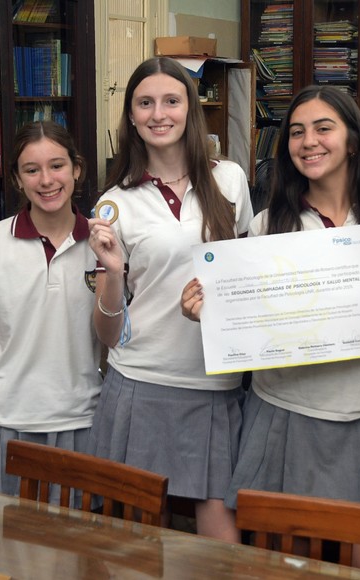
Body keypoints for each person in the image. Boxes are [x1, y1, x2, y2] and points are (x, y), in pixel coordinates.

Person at [181, 85, 360, 572]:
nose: (309, 141)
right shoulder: (267, 226)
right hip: (285, 415)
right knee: (282, 567)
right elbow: (244, 325)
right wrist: (211, 312)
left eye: (324, 128)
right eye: (297, 132)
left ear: (352, 141)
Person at [87, 57, 253, 541]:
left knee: (222, 548)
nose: (159, 113)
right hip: (141, 382)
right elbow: (107, 333)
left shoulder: (231, 180)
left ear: (190, 109)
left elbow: (243, 280)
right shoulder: (114, 202)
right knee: (137, 548)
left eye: (171, 101)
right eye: (145, 103)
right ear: (132, 117)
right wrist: (114, 274)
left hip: (214, 385)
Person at [0, 121, 102, 497]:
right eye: (31, 170)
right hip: (6, 417)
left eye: (57, 165)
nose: (46, 180)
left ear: (77, 169)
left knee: (74, 546)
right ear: (17, 179)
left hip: (81, 417)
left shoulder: (102, 243)